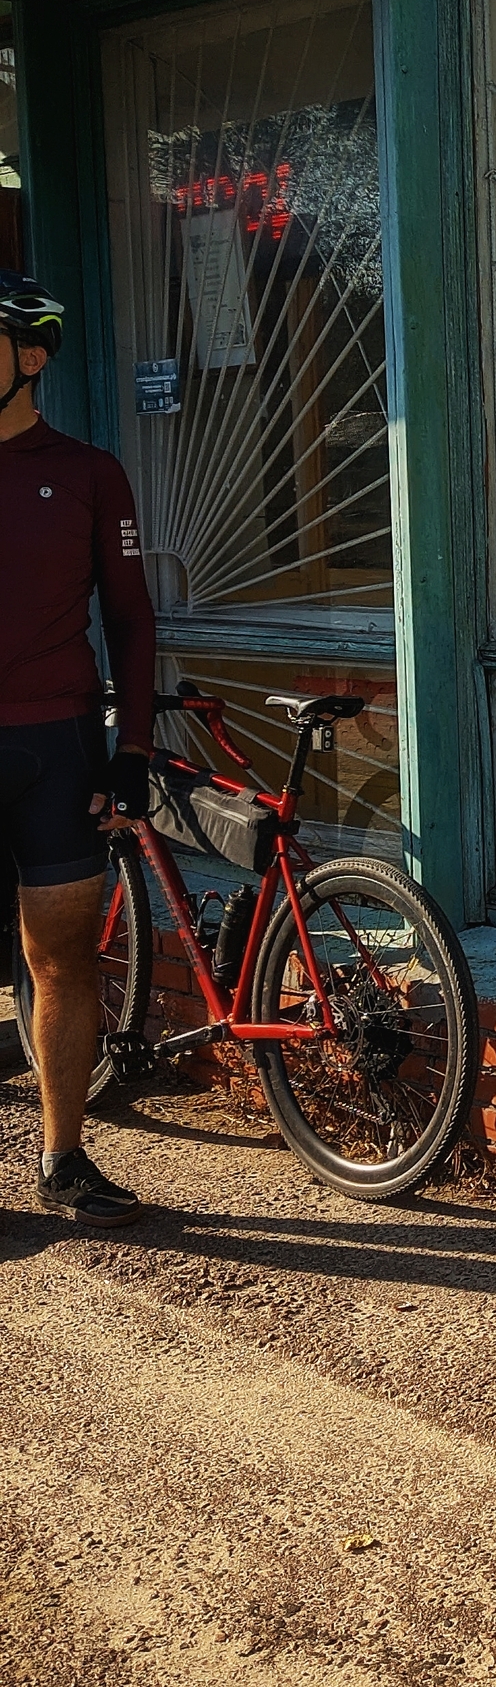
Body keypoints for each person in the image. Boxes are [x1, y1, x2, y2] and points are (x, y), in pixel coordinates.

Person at [0, 280, 156, 1225]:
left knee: (62, 959)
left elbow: (133, 623)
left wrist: (130, 749)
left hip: (55, 746)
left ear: (28, 356)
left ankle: (62, 1160)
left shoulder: (91, 473)